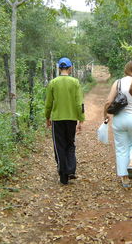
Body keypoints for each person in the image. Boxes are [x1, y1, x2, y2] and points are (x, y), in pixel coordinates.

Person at [45, 57, 85, 185]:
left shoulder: (53, 83)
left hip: (57, 119)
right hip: (72, 118)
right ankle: (71, 169)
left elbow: (48, 103)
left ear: (59, 68)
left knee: (59, 146)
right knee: (70, 144)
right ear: (70, 68)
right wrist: (81, 119)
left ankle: (63, 173)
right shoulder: (75, 82)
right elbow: (79, 104)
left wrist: (47, 117)